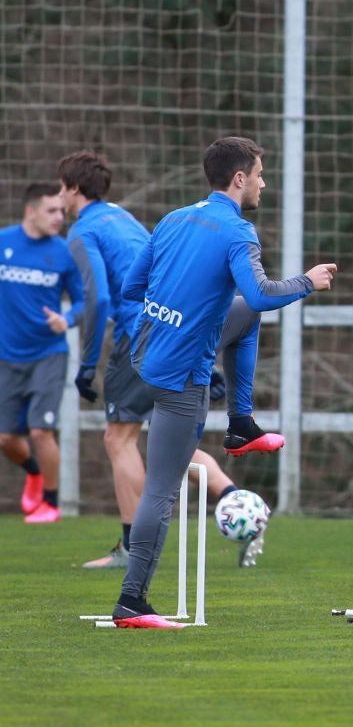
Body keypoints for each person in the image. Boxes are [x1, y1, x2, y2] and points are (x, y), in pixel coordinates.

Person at [109, 136, 336, 628]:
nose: (263, 182)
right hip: (180, 377)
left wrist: (178, 306)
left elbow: (131, 288)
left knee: (243, 317)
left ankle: (240, 424)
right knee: (161, 491)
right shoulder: (238, 232)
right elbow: (261, 292)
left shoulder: (173, 218)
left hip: (147, 354)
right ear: (239, 179)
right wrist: (308, 281)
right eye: (259, 173)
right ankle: (132, 601)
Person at [58, 150, 271, 568]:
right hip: (180, 331)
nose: (59, 199)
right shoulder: (121, 216)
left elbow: (100, 297)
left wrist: (86, 366)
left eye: (60, 190)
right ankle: (239, 503)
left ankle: (131, 548)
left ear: (74, 190)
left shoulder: (83, 230)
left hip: (143, 337)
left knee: (119, 439)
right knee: (169, 444)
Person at [1, 182, 85, 523]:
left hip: (49, 354)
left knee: (40, 431)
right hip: (7, 357)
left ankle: (51, 503)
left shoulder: (64, 252)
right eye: (51, 211)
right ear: (31, 211)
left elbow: (84, 303)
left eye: (62, 212)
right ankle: (34, 473)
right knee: (6, 438)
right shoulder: (3, 242)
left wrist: (65, 320)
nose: (59, 218)